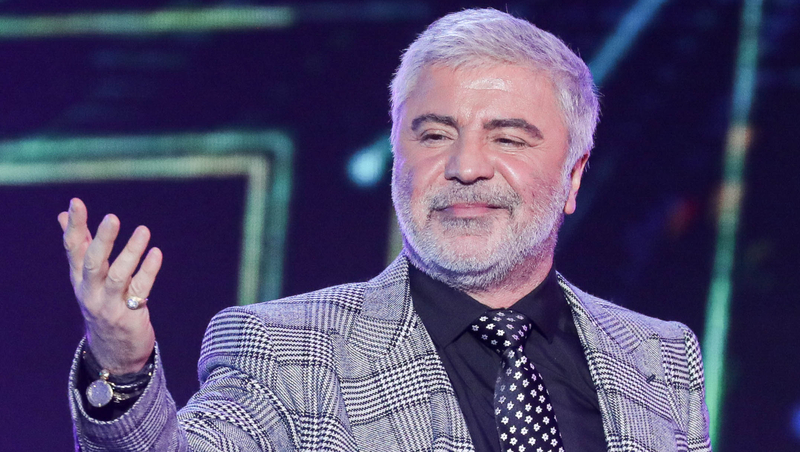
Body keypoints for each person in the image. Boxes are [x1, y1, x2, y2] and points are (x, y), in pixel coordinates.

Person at [61, 8, 712, 452]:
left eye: (507, 138)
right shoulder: (286, 352)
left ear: (573, 176)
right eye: (434, 135)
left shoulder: (662, 358)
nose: (465, 167)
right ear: (399, 156)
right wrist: (122, 369)